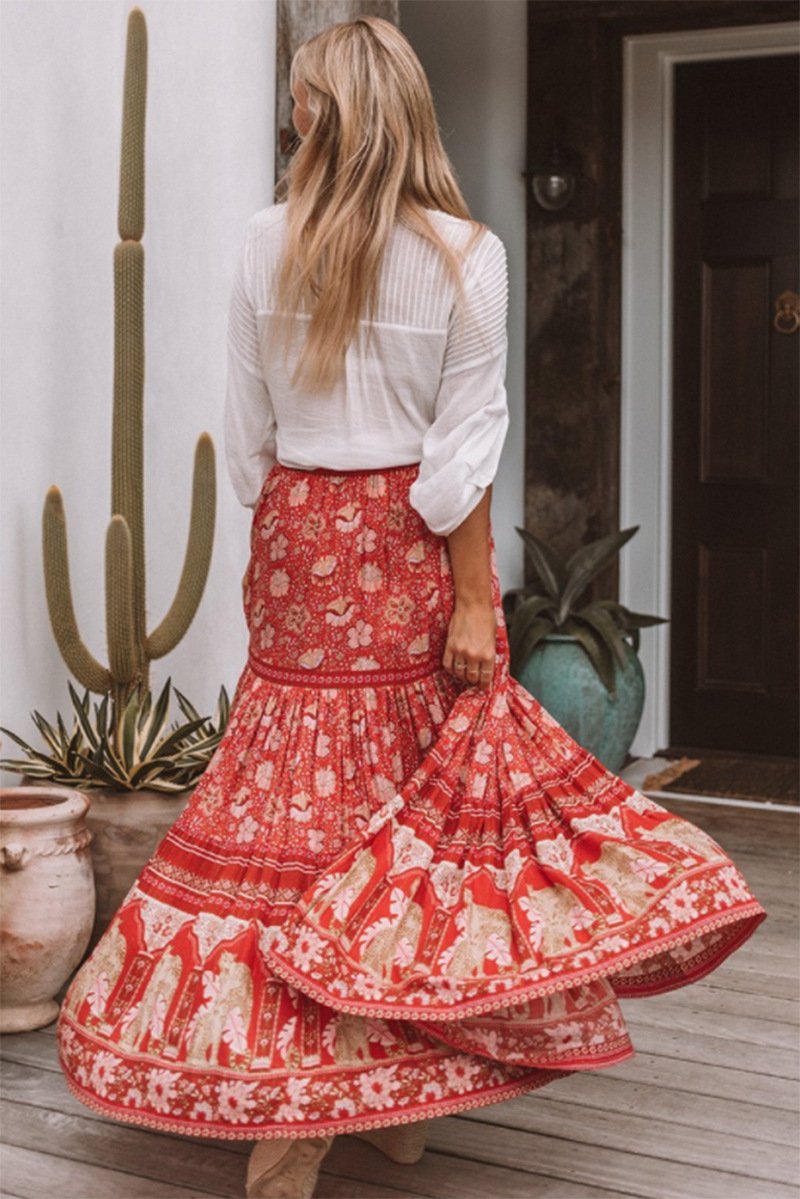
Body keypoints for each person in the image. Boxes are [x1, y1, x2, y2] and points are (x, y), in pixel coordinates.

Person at [56, 16, 768, 1199]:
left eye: (299, 98)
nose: (290, 114)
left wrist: (298, 516)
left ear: (318, 116)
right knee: (403, 811)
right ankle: (360, 1099)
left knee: (288, 802)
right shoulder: (465, 254)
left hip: (298, 539)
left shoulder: (262, 240)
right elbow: (459, 458)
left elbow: (247, 441)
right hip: (404, 543)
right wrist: (473, 601)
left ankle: (355, 1097)